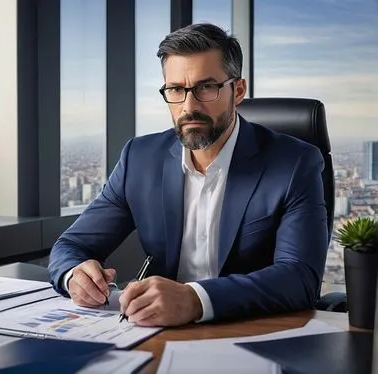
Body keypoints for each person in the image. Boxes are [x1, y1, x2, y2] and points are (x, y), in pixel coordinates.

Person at [48, 23, 328, 327]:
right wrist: (75, 274)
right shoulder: (139, 159)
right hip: (156, 333)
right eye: (176, 90)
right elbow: (70, 246)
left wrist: (196, 299)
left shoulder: (294, 163)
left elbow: (299, 277)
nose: (188, 106)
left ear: (238, 90)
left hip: (252, 332)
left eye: (206, 87)